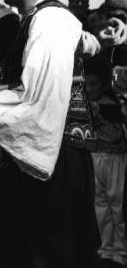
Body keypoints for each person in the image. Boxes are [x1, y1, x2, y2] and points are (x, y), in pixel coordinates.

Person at [0, 0, 100, 267]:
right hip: (38, 154)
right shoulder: (34, 21)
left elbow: (35, 100)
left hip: (54, 161)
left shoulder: (52, 22)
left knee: (47, 254)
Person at [84, 58, 127, 267]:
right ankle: (106, 246)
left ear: (104, 84)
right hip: (96, 157)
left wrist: (98, 117)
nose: (89, 89)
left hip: (114, 159)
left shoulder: (111, 106)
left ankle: (121, 249)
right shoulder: (87, 106)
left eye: (94, 84)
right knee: (100, 203)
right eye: (87, 84)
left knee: (116, 203)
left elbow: (116, 134)